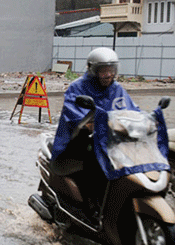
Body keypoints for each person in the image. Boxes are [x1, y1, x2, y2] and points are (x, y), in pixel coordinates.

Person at [50, 47, 140, 214]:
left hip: (110, 141)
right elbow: (78, 119)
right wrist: (93, 124)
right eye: (104, 70)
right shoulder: (77, 88)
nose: (108, 75)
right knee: (96, 162)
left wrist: (144, 122)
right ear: (93, 70)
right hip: (78, 142)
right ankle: (93, 206)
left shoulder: (117, 89)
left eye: (111, 70)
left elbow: (133, 110)